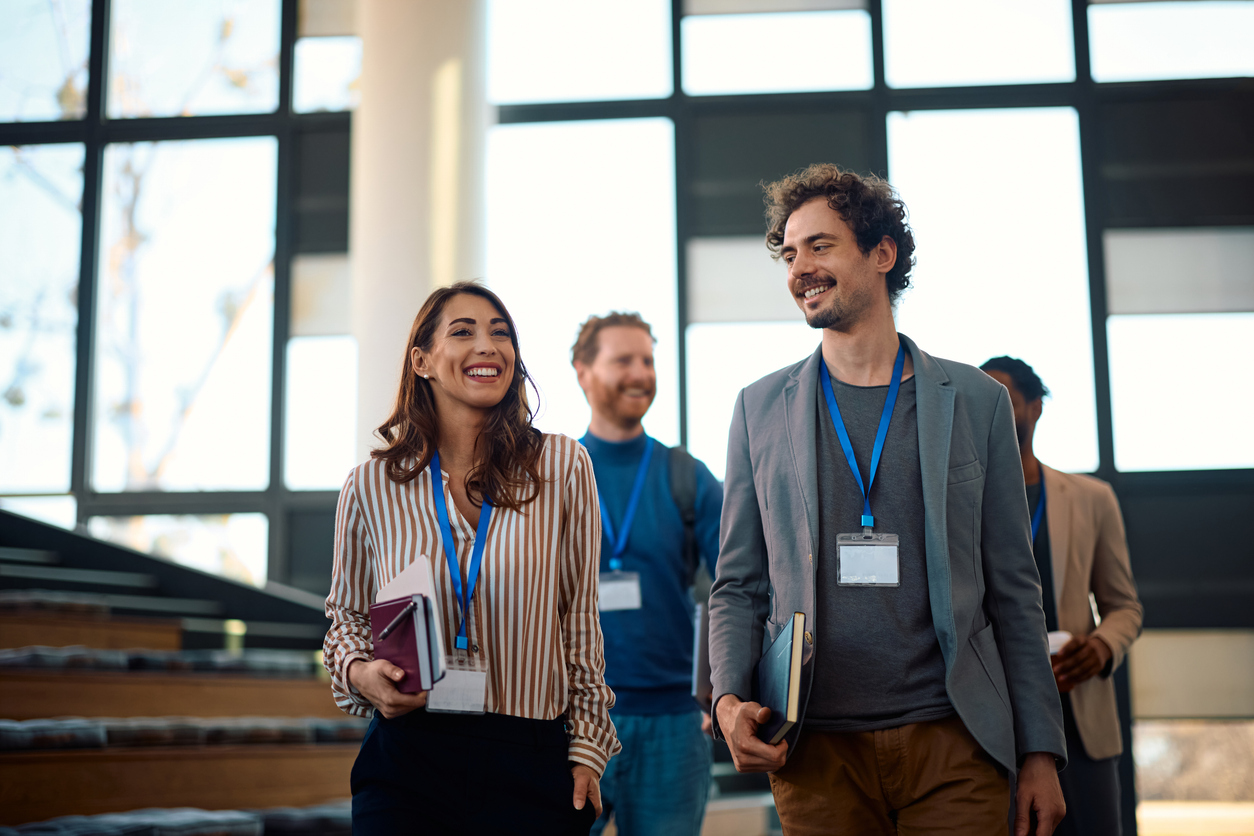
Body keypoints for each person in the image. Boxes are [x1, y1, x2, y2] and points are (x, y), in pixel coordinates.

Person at [707, 163, 1068, 836]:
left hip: (956, 741)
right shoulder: (759, 409)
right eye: (789, 253)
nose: (799, 268)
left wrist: (1040, 751)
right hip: (815, 752)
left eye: (820, 246)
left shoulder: (978, 403)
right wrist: (728, 699)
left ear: (882, 253)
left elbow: (1015, 593)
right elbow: (736, 584)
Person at [323, 281, 620, 835]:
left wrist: (586, 746)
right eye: (463, 332)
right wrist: (363, 674)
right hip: (409, 755)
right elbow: (346, 619)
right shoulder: (370, 485)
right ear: (423, 360)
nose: (488, 345)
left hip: (530, 756)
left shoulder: (563, 466)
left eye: (500, 334)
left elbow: (579, 620)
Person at [571, 312, 724, 836]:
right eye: (623, 360)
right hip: (575, 721)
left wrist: (725, 689)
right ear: (583, 371)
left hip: (674, 723)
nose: (640, 373)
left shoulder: (687, 476)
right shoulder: (553, 478)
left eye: (648, 361)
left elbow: (740, 584)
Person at [981, 356, 1143, 836]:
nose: (992, 411)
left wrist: (1099, 648)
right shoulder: (962, 506)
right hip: (997, 720)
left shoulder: (1092, 499)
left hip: (1081, 718)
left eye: (1005, 400)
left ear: (1035, 408)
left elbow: (1125, 607)